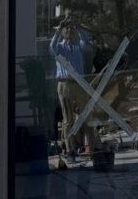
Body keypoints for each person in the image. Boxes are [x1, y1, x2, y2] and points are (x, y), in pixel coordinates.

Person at [49, 11, 96, 167]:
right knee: (68, 119)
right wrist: (59, 29)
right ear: (63, 32)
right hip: (65, 84)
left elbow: (86, 43)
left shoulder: (78, 46)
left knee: (86, 115)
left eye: (71, 29)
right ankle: (70, 151)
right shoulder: (59, 47)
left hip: (79, 83)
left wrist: (78, 27)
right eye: (67, 29)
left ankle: (91, 148)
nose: (69, 31)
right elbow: (51, 47)